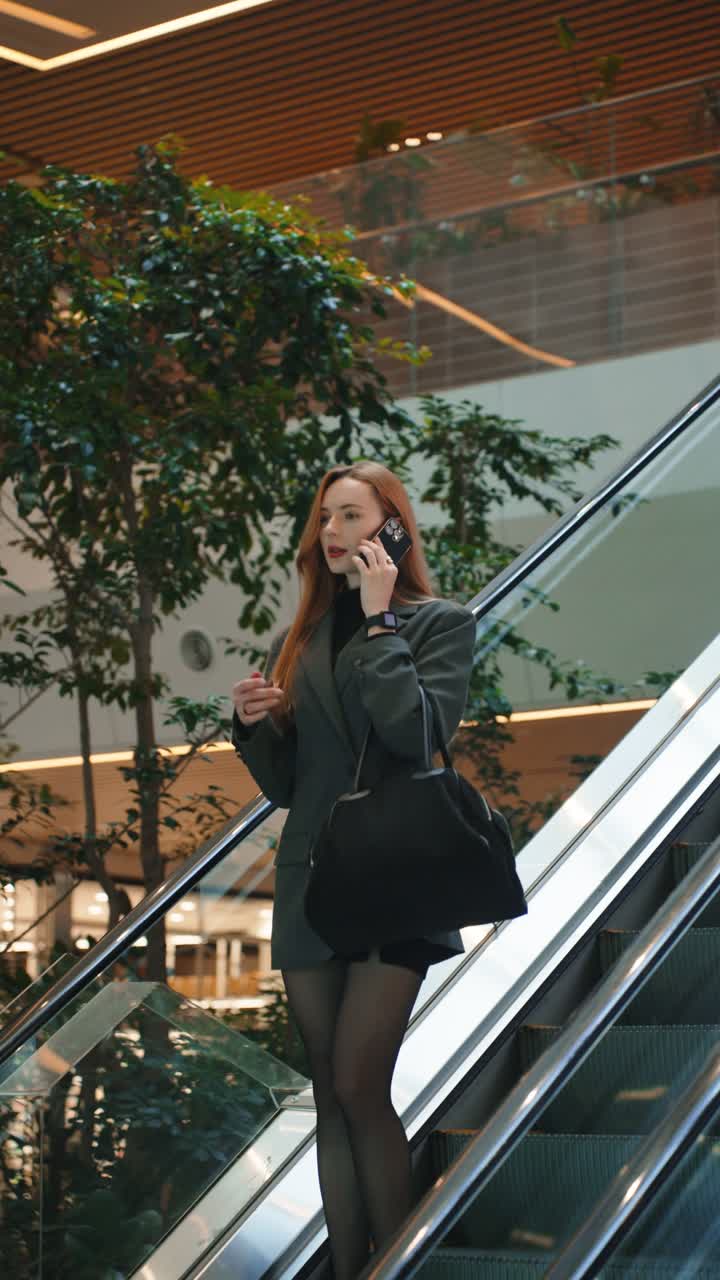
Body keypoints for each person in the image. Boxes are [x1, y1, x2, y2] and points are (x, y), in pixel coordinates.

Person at [231, 460, 475, 1279]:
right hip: (310, 880)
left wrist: (379, 625)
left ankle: (398, 1266)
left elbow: (413, 736)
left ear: (391, 528)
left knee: (360, 1084)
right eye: (324, 518)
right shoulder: (297, 639)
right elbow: (286, 787)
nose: (332, 532)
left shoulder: (439, 622)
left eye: (350, 515)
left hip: (395, 883)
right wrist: (255, 726)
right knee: (330, 1103)